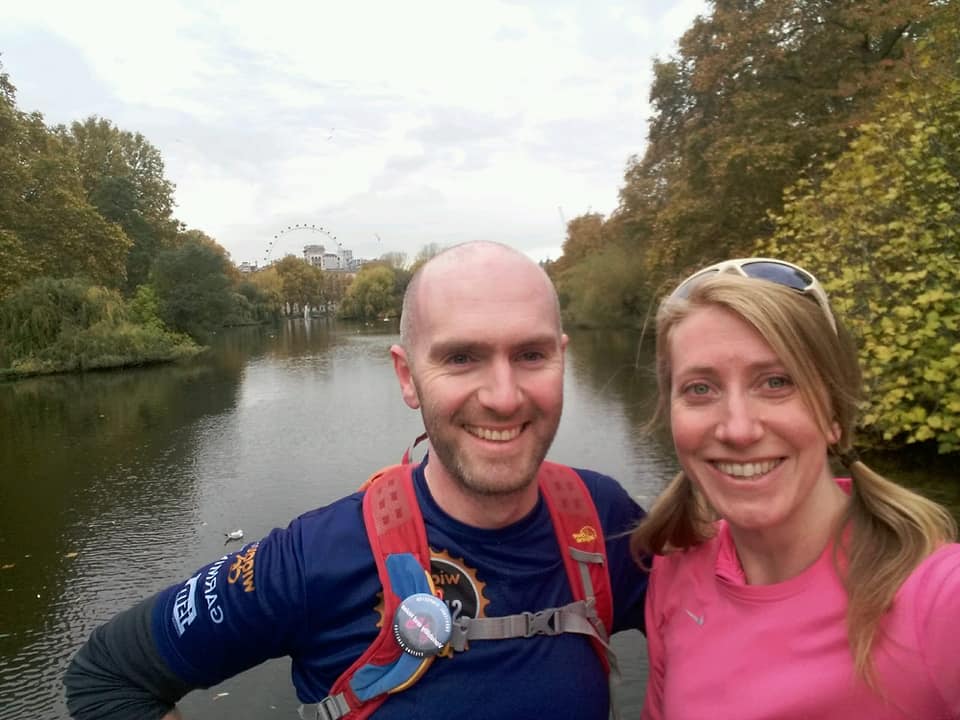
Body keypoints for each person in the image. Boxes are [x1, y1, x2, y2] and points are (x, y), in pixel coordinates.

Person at [64, 241, 649, 720]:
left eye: (530, 355)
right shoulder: (314, 558)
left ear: (562, 359)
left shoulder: (604, 519)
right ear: (407, 377)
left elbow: (727, 623)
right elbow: (108, 677)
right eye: (461, 358)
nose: (502, 396)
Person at [631, 257, 960, 720]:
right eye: (700, 389)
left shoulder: (936, 599)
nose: (738, 429)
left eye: (776, 382)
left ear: (832, 414)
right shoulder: (675, 573)